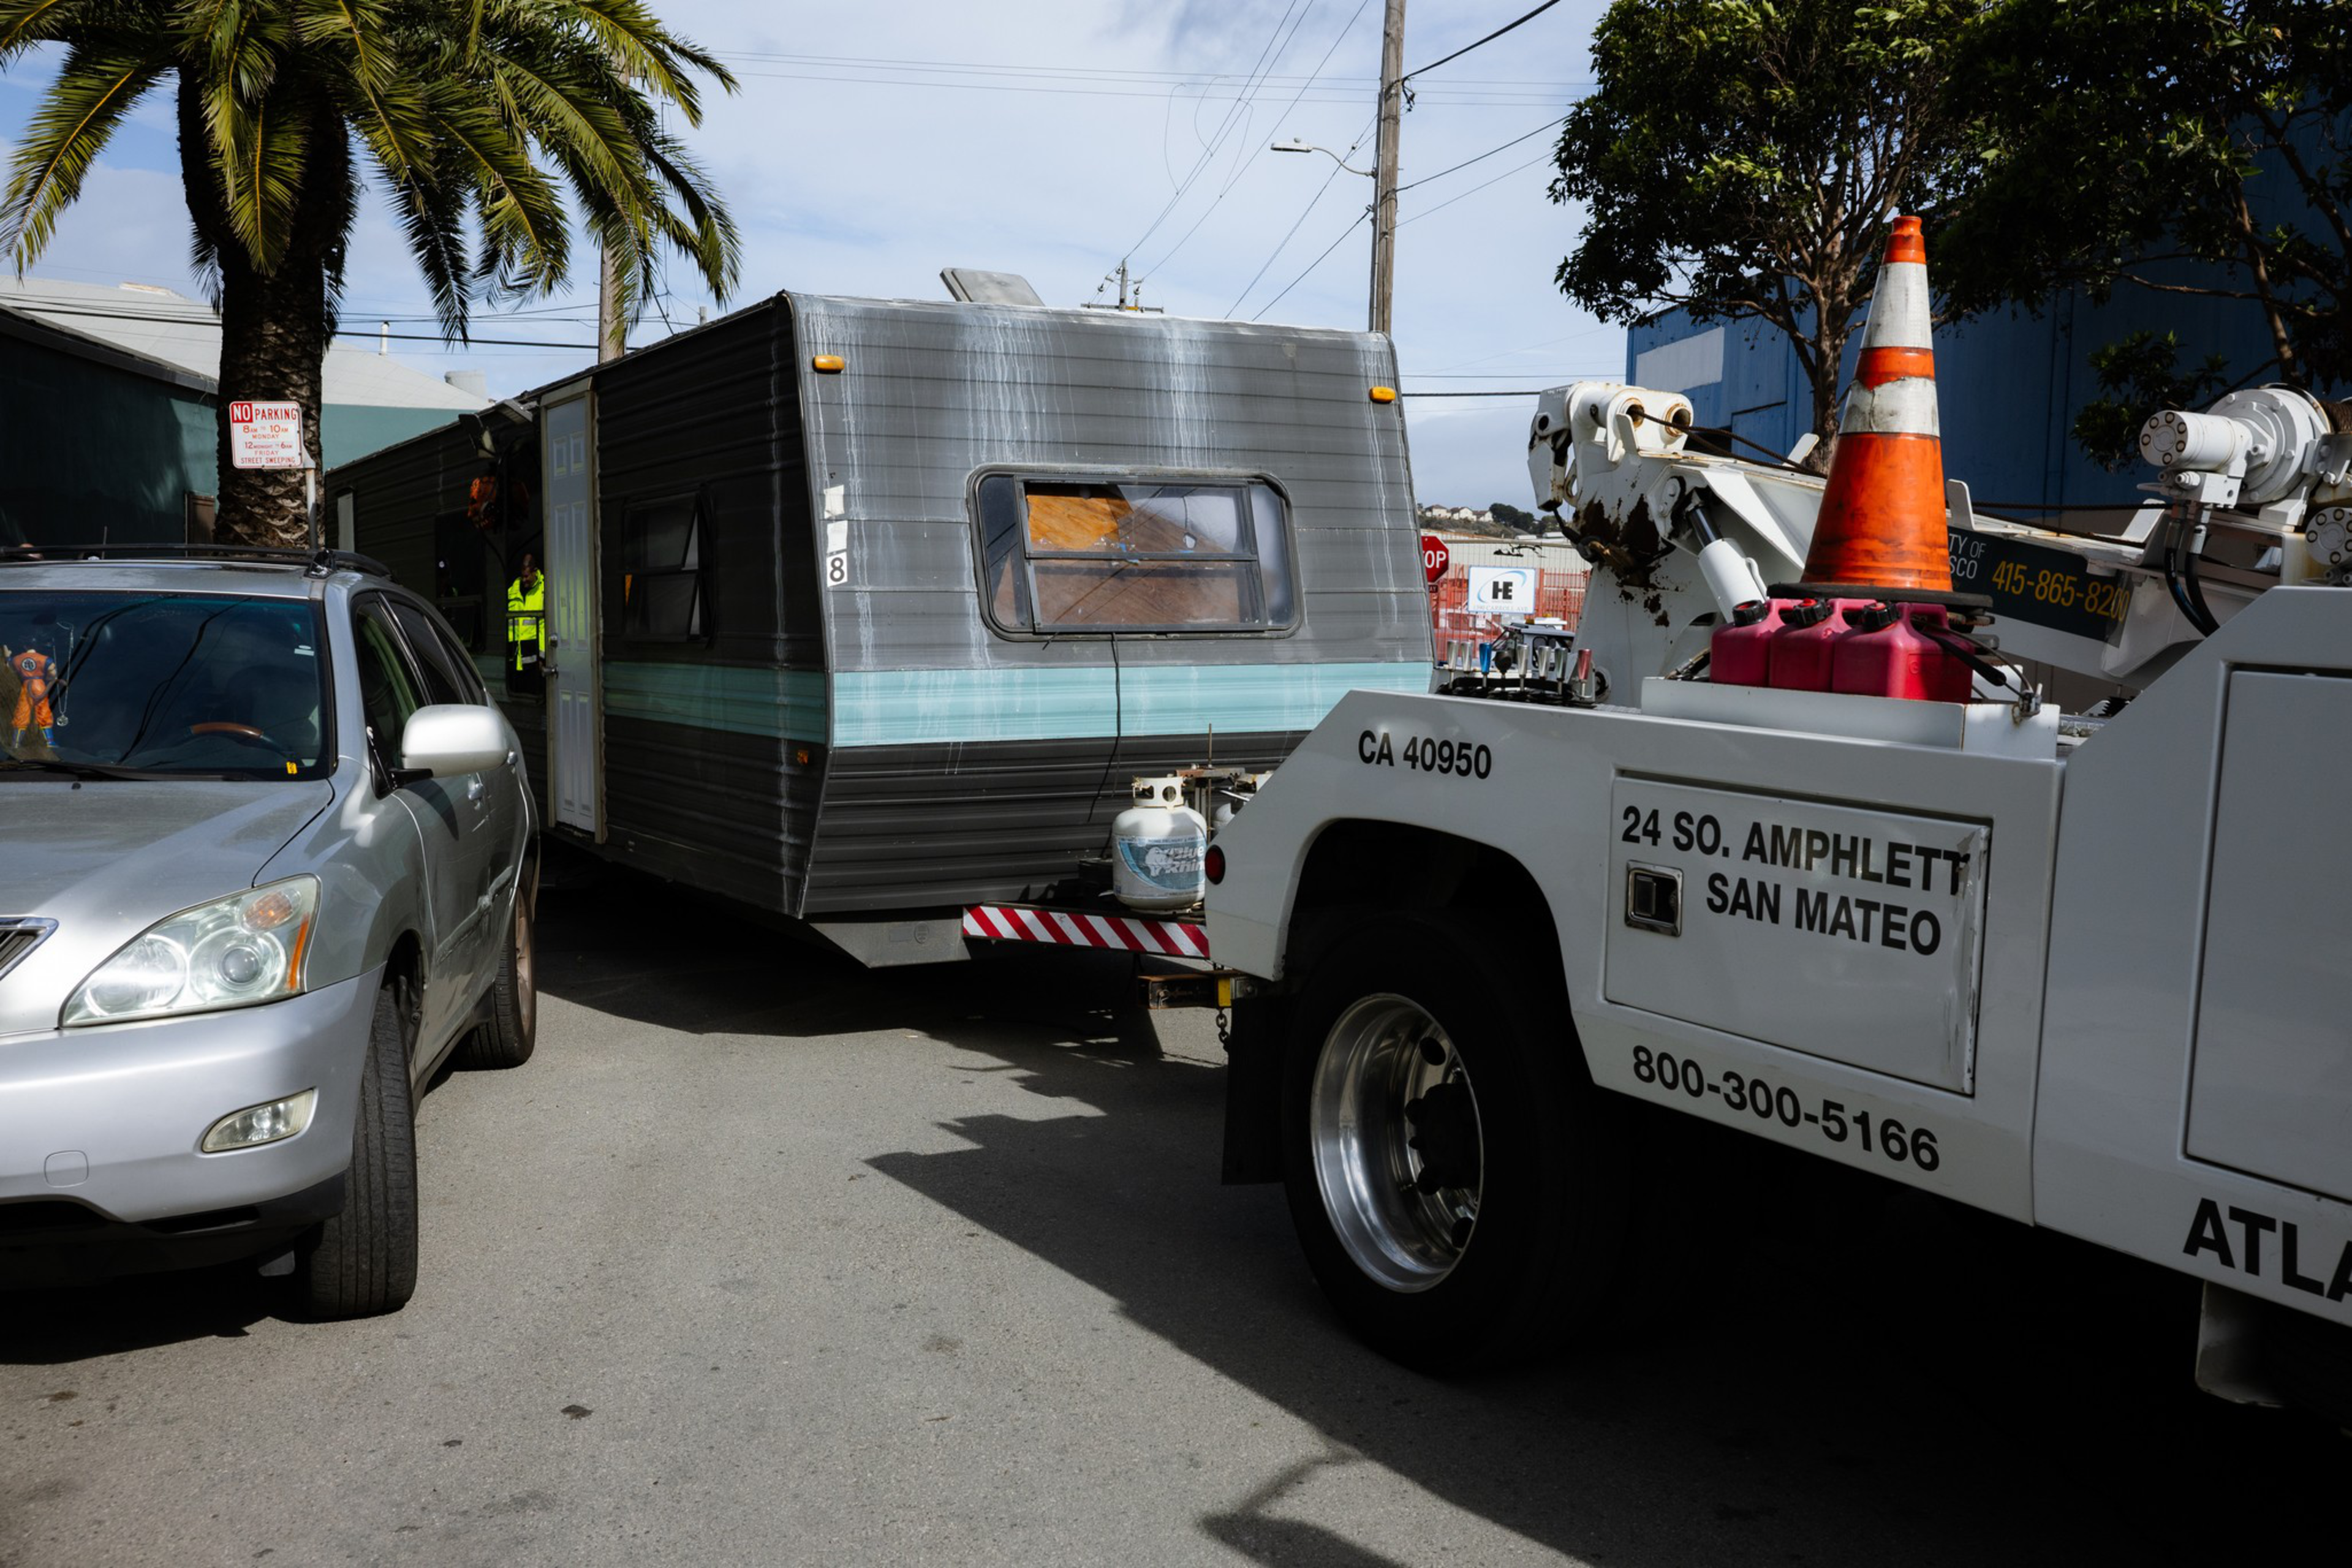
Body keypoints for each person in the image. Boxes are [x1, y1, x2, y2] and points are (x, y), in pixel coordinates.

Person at [507, 552, 547, 679]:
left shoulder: (544, 590)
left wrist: (542, 658)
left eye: (527, 576)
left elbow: (544, 628)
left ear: (535, 572)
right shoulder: (512, 591)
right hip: (513, 659)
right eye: (522, 576)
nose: (524, 580)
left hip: (533, 660)